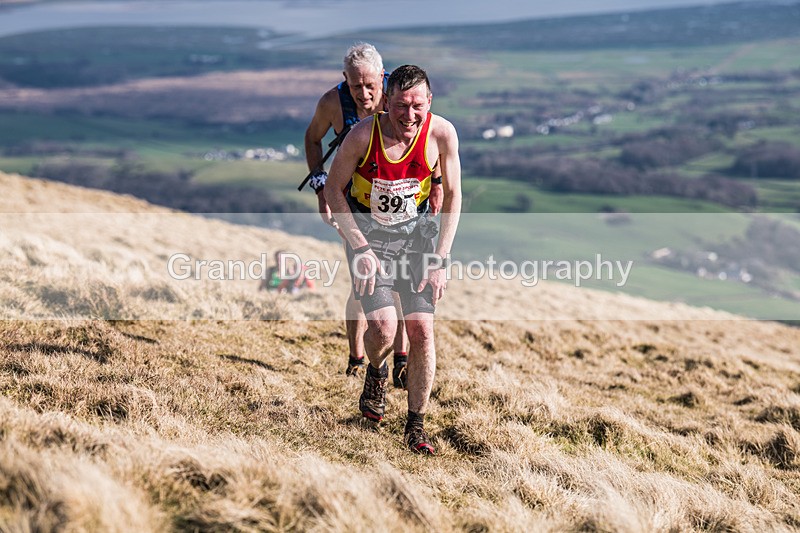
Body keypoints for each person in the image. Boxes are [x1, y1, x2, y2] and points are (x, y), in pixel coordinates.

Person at [325, 65, 462, 455]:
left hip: (417, 240)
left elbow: (453, 196)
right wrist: (360, 247)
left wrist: (441, 258)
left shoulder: (442, 134)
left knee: (421, 330)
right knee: (384, 330)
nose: (409, 115)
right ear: (386, 102)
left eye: (417, 105)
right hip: (370, 238)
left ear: (429, 102)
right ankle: (376, 369)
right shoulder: (362, 135)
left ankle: (415, 425)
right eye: (401, 105)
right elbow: (335, 190)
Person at [304, 43, 443, 384]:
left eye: (370, 85)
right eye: (355, 86)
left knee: (396, 285)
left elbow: (426, 141)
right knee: (364, 283)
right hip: (351, 201)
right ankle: (357, 356)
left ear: (382, 78)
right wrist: (322, 186)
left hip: (400, 206)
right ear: (345, 81)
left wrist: (437, 182)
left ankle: (400, 358)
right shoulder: (332, 103)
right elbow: (312, 139)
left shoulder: (397, 100)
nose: (364, 94)